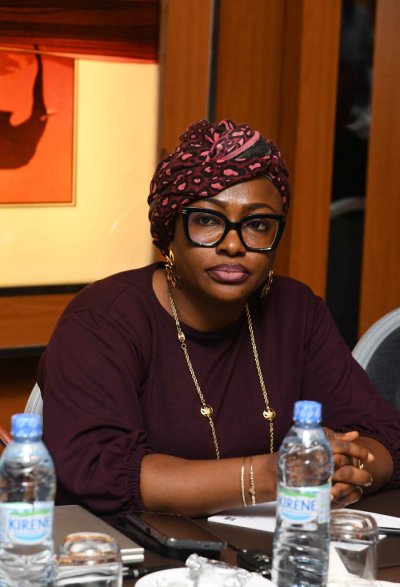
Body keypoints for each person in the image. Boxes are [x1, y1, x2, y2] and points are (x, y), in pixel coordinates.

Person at [38, 119, 400, 517]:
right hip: (133, 547)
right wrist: (276, 474)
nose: (232, 245)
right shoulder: (102, 320)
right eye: (208, 220)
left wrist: (347, 471)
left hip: (273, 544)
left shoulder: (296, 310)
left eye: (257, 225)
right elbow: (101, 473)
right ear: (169, 230)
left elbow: (384, 439)